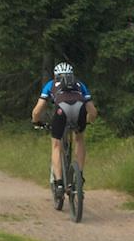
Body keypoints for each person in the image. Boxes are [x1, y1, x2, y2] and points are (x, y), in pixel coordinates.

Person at [31, 62, 98, 198]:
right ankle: (79, 176)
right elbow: (93, 111)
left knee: (56, 145)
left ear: (56, 75)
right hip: (79, 110)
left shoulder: (51, 84)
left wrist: (36, 121)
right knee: (79, 139)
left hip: (62, 112)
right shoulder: (80, 85)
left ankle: (59, 183)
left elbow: (38, 110)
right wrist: (88, 120)